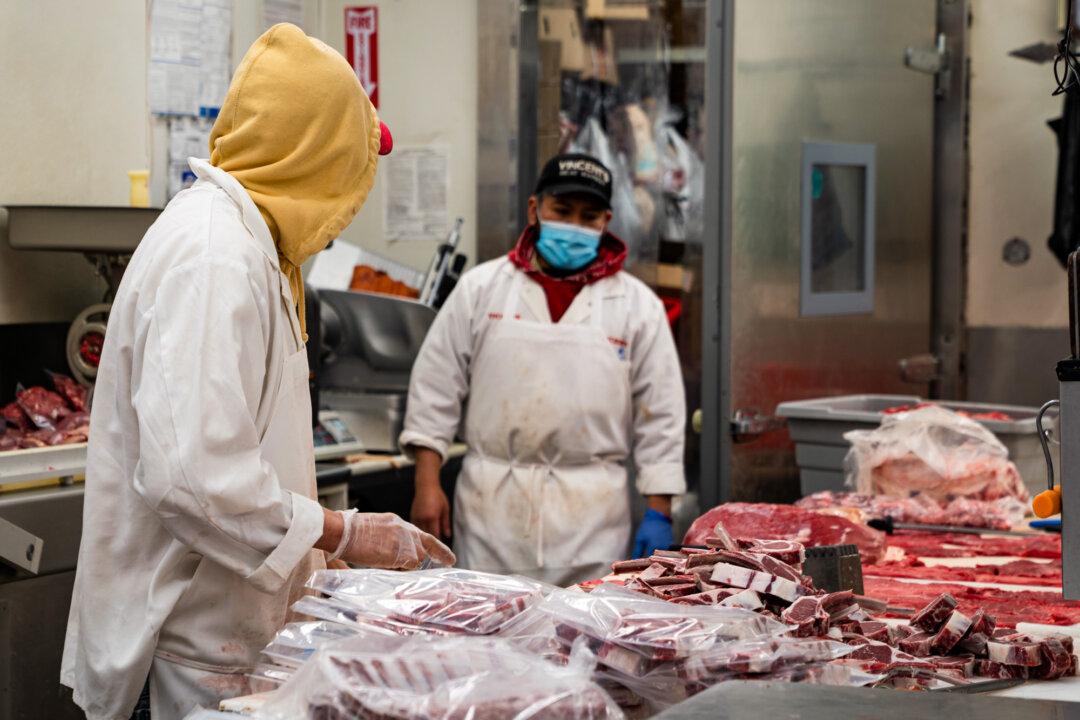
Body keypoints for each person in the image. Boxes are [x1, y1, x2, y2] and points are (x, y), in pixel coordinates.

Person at [61, 25, 454, 720]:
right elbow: (194, 476)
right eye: (349, 168)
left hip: (226, 637)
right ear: (312, 156)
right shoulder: (215, 255)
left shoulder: (255, 244)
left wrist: (314, 560)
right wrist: (343, 533)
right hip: (185, 651)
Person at [403, 153, 686, 586]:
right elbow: (435, 387)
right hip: (491, 513)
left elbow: (662, 415)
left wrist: (659, 511)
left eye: (589, 216)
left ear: (606, 221)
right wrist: (427, 483)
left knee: (585, 644)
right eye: (562, 211)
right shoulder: (482, 289)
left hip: (593, 521)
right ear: (535, 209)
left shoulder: (636, 306)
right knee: (487, 638)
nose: (574, 224)